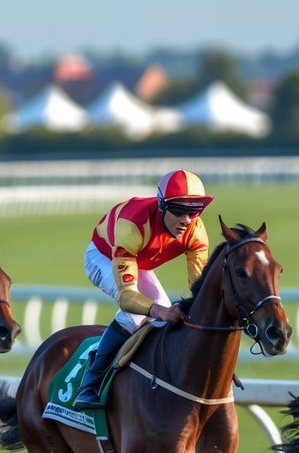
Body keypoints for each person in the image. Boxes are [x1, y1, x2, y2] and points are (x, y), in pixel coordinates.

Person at [73, 169, 214, 410]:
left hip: (138, 261)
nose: (186, 220)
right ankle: (92, 381)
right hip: (103, 256)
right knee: (139, 313)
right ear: (161, 206)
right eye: (179, 210)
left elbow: (199, 289)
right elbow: (128, 297)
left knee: (166, 314)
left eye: (194, 211)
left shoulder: (196, 232)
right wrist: (160, 311)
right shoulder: (133, 225)